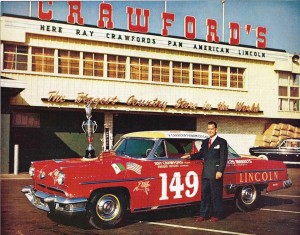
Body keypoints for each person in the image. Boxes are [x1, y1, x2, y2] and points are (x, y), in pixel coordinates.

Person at [182, 121, 228, 222]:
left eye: (212, 128)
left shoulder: (222, 142)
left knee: (216, 195)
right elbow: (201, 153)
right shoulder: (205, 141)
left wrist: (220, 170)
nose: (210, 131)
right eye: (208, 129)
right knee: (205, 194)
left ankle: (217, 215)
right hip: (206, 172)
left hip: (216, 172)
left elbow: (223, 158)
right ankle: (203, 214)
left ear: (216, 129)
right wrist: (190, 156)